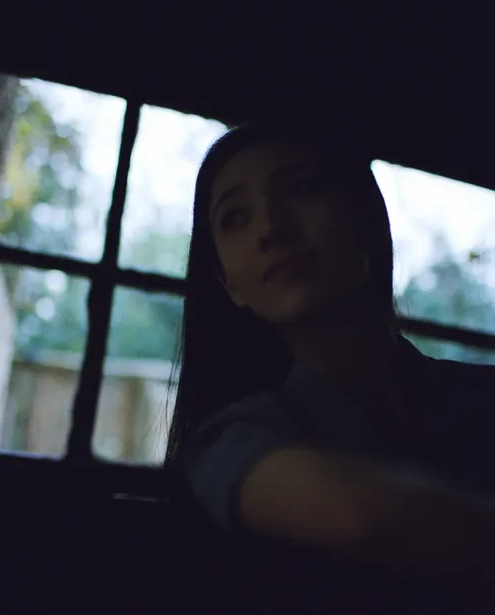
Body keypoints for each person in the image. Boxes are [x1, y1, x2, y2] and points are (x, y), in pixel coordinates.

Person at [165, 119, 495, 583]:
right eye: (235, 217)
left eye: (300, 189)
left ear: (366, 219)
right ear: (229, 284)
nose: (270, 229)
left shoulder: (480, 394)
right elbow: (368, 522)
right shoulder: (231, 440)